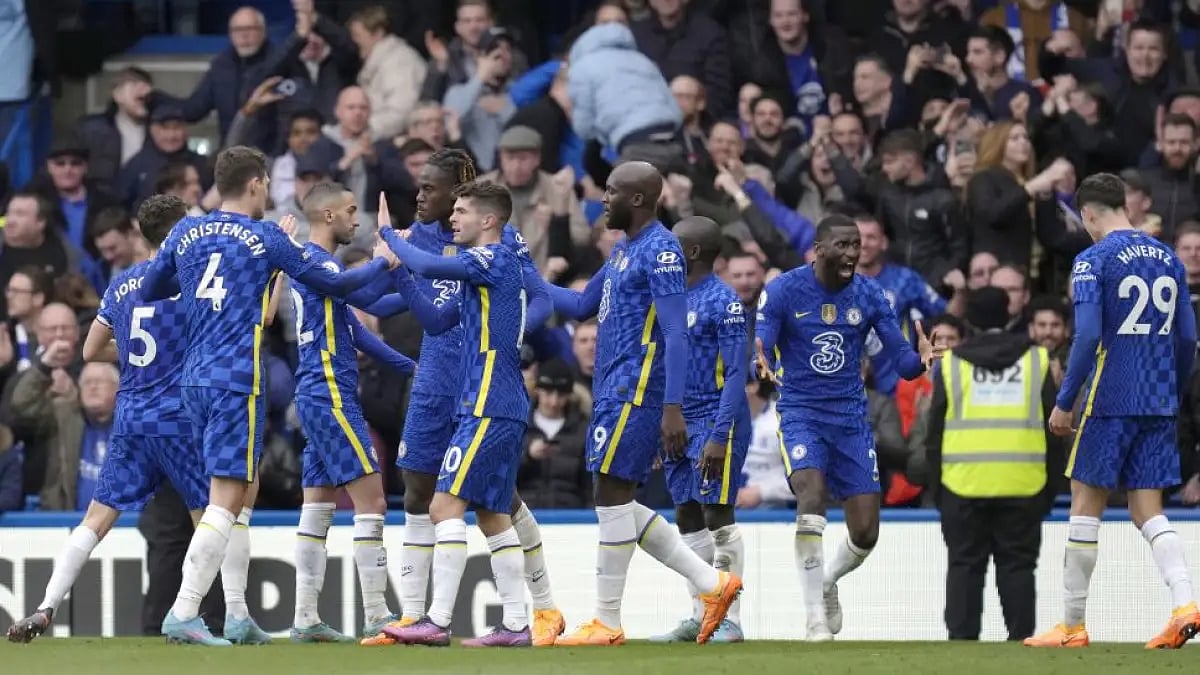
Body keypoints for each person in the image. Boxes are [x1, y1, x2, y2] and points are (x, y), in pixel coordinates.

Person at [139, 145, 392, 646]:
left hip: (194, 378)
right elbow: (334, 282)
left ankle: (236, 615)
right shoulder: (264, 238)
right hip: (237, 378)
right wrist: (384, 260)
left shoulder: (188, 230)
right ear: (256, 184)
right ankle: (185, 610)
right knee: (228, 498)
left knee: (242, 493)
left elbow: (151, 288)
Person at [357, 149, 563, 648]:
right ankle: (505, 622)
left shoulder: (490, 251)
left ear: (467, 196)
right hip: (461, 389)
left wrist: (388, 240)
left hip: (487, 395)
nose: (425, 199)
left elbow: (542, 299)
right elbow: (433, 316)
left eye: (434, 190)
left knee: (457, 504)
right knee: (472, 505)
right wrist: (350, 285)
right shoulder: (452, 248)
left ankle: (466, 617)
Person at [546, 161, 742, 646]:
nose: (603, 199)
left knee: (611, 495)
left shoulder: (662, 250)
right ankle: (712, 584)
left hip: (638, 389)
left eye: (610, 192)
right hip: (613, 387)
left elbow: (676, 332)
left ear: (636, 199)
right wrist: (520, 278)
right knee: (613, 497)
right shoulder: (621, 251)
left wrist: (671, 407)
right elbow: (576, 306)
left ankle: (607, 621)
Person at [5, 195, 208, 644]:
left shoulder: (122, 283)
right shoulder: (191, 283)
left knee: (97, 518)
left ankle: (45, 606)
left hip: (130, 413)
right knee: (209, 518)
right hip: (176, 417)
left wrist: (137, 360)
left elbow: (91, 350)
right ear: (181, 232)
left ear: (141, 234)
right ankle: (207, 614)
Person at [1025, 173, 1200, 649]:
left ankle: (1072, 626)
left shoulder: (1092, 260)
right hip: (1159, 398)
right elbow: (1187, 339)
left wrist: (1065, 403)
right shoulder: (1168, 258)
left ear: (1088, 215)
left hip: (1111, 398)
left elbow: (1085, 338)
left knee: (1085, 504)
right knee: (1149, 510)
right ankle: (1185, 604)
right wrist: (1172, 389)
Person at [755, 214, 940, 641]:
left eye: (856, 244)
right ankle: (814, 617)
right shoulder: (783, 290)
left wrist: (921, 359)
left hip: (851, 420)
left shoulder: (871, 294)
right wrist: (760, 363)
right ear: (818, 249)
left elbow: (902, 360)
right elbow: (762, 340)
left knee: (865, 532)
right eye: (842, 245)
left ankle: (826, 580)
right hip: (801, 412)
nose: (853, 252)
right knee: (812, 494)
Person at [287, 182, 416, 643]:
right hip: (329, 395)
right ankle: (378, 614)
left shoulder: (322, 269)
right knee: (373, 503)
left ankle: (304, 618)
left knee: (317, 505)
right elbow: (350, 288)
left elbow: (366, 317)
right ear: (326, 215)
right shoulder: (316, 263)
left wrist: (408, 365)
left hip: (319, 393)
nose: (355, 219)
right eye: (349, 210)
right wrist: (383, 257)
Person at [927, 286, 1059, 642]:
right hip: (1023, 482)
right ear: (1009, 314)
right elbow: (1053, 429)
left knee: (964, 567)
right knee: (1018, 568)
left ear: (969, 319)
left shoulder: (952, 364)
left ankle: (962, 647)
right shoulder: (1036, 360)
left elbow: (934, 432)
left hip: (962, 483)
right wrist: (1049, 489)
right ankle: (1021, 642)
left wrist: (936, 489)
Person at [650, 216, 751, 644]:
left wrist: (718, 435)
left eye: (672, 246)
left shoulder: (723, 301)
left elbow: (736, 375)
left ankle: (730, 618)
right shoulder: (667, 299)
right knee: (688, 514)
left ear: (690, 253)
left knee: (717, 514)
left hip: (715, 417)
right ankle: (699, 615)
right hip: (677, 420)